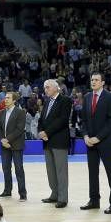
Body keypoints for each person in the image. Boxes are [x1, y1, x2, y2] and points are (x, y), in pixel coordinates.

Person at [80, 73, 111, 214]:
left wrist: (98, 137)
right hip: (90, 142)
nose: (93, 82)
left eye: (96, 80)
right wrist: (85, 136)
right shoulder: (86, 97)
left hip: (106, 141)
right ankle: (94, 200)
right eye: (92, 79)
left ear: (103, 82)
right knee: (92, 172)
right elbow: (83, 120)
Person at [39, 79, 72, 208]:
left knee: (61, 171)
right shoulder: (47, 102)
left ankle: (63, 198)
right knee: (51, 170)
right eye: (45, 87)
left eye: (47, 87)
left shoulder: (65, 100)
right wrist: (41, 131)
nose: (45, 90)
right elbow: (42, 119)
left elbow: (62, 120)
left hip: (59, 141)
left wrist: (47, 132)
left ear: (56, 88)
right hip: (47, 141)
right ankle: (54, 194)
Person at [0, 92, 27, 201]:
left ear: (14, 100)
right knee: (6, 169)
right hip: (4, 145)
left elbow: (20, 129)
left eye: (8, 98)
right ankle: (7, 191)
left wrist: (7, 139)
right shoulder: (1, 112)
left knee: (19, 169)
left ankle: (22, 194)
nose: (6, 100)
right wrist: (2, 139)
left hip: (16, 145)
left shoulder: (20, 112)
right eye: (5, 98)